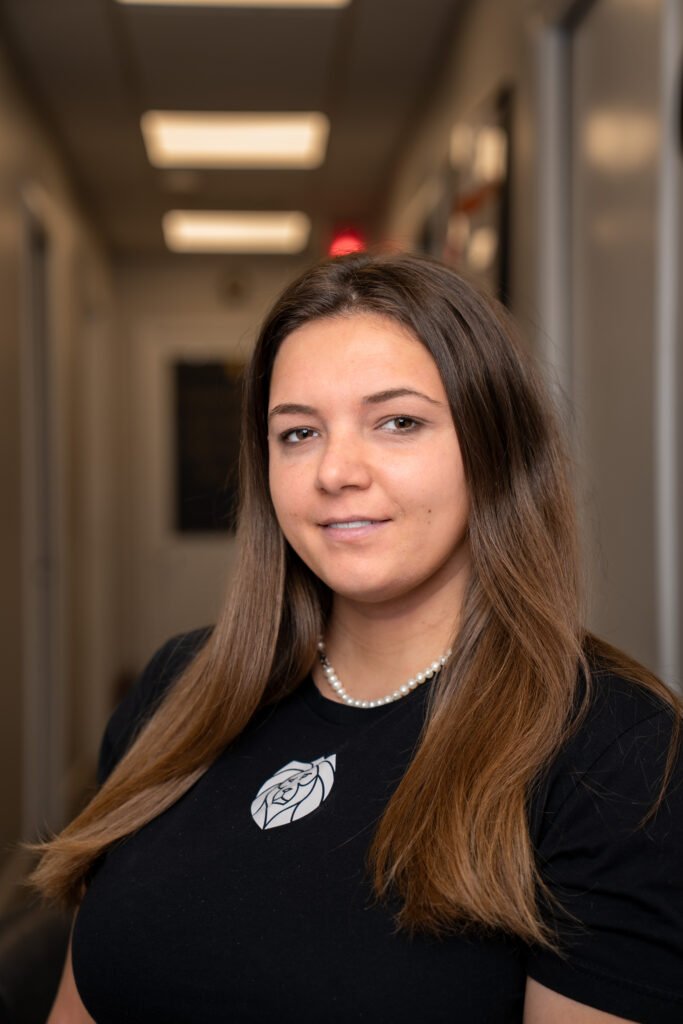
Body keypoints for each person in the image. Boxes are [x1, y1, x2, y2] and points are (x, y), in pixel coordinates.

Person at [37, 251, 682, 1023]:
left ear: (493, 448)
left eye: (398, 422)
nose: (336, 470)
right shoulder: (181, 686)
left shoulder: (613, 751)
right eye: (298, 433)